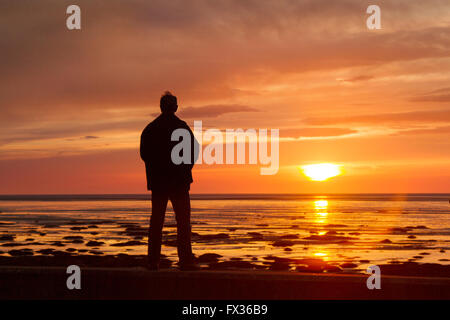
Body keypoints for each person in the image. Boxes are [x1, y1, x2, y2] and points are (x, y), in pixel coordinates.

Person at [140, 91, 199, 270]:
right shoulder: (181, 127)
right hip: (179, 183)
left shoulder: (151, 128)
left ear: (161, 107)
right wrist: (184, 169)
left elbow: (144, 154)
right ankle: (185, 261)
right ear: (175, 107)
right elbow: (193, 152)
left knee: (157, 222)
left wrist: (155, 170)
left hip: (159, 183)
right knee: (183, 223)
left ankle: (153, 261)